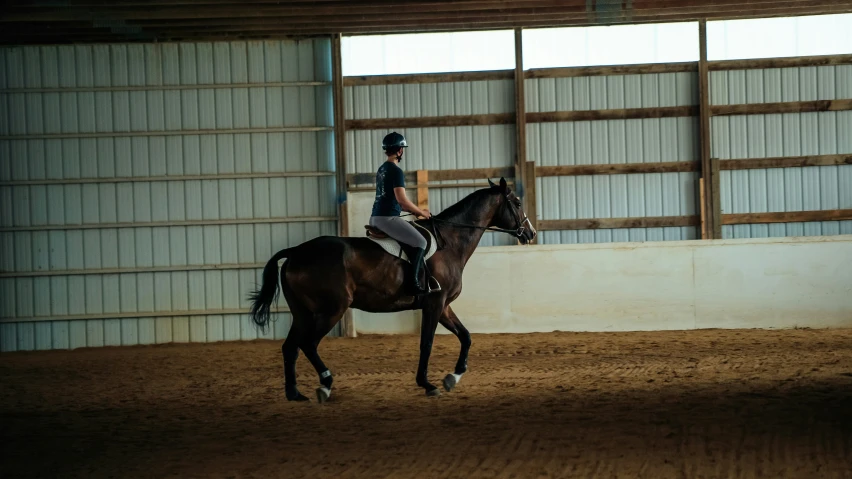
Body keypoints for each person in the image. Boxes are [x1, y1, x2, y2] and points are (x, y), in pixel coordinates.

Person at [369, 131, 432, 294]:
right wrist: (422, 213)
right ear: (400, 150)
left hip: (376, 217)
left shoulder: (382, 169)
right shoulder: (396, 171)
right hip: (387, 219)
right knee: (421, 243)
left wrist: (413, 211)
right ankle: (414, 283)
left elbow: (397, 202)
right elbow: (403, 200)